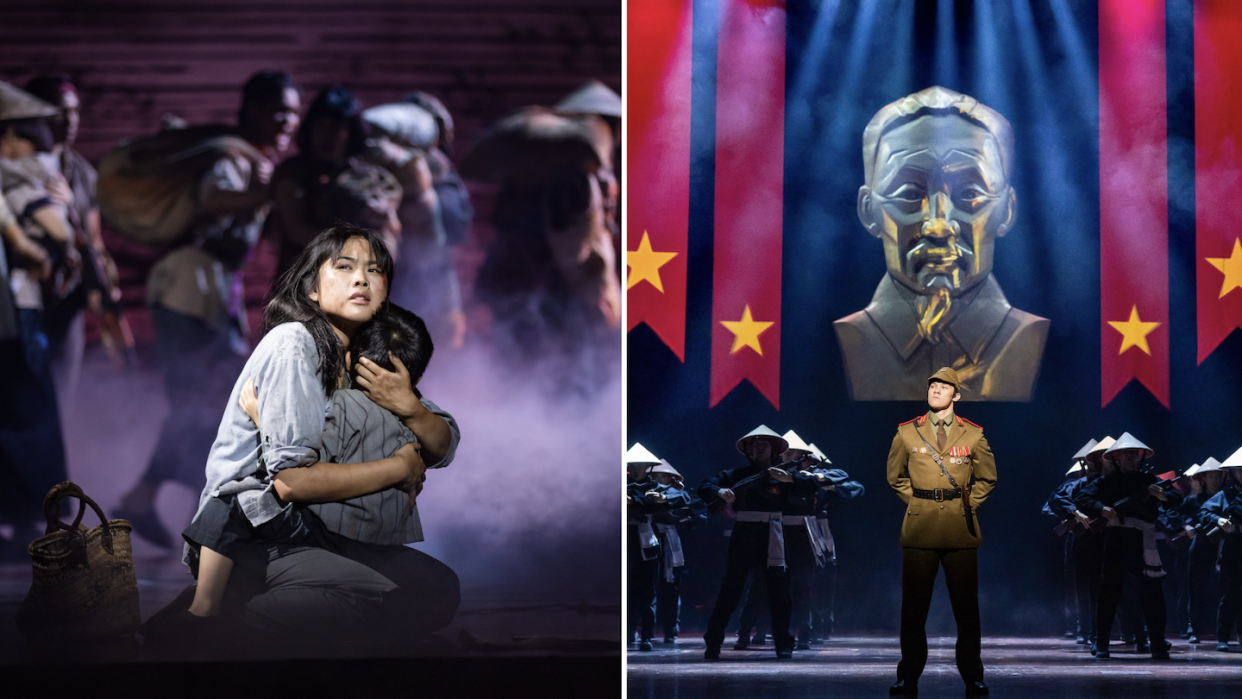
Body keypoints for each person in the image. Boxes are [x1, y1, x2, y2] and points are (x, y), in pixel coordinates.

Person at [147, 225, 458, 645]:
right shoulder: (295, 343)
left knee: (435, 589)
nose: (361, 278)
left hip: (320, 526)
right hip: (257, 531)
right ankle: (225, 621)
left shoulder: (364, 353)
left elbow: (440, 445)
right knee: (395, 604)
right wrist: (397, 467)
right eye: (344, 266)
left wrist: (410, 407)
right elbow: (291, 481)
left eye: (374, 269)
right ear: (312, 289)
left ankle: (267, 603)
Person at [114, 71, 302, 548]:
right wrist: (270, 191)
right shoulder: (232, 156)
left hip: (210, 292)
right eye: (278, 109)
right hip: (187, 288)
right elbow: (213, 199)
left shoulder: (254, 161)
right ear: (253, 110)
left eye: (292, 110)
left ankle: (150, 496)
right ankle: (189, 505)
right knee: (202, 403)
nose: (287, 120)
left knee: (208, 404)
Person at [169, 304, 438, 622]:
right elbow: (445, 438)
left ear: (351, 359)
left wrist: (266, 420)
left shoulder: (347, 405)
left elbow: (298, 475)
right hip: (343, 532)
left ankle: (210, 612)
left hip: (328, 528)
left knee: (230, 503)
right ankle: (212, 609)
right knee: (430, 592)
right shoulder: (409, 409)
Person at [834, 86, 1049, 402]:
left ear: (1007, 209)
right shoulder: (842, 344)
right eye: (908, 194)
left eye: (969, 194)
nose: (938, 226)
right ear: (868, 210)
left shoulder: (1038, 343)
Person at [886, 367, 996, 696]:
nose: (935, 389)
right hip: (919, 529)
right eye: (932, 384)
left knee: (966, 609)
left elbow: (988, 478)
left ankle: (973, 676)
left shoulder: (973, 434)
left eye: (943, 386)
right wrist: (919, 503)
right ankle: (909, 676)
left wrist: (968, 505)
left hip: (960, 529)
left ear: (956, 395)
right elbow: (895, 477)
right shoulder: (907, 432)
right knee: (913, 609)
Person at [24, 74, 130, 403]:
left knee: (61, 395)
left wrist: (104, 288)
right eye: (60, 111)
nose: (70, 120)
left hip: (67, 300)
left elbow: (94, 239)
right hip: (25, 297)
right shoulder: (17, 167)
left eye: (75, 111)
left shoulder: (82, 173)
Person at [0, 82, 72, 543]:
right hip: (16, 309)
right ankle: (31, 514)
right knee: (25, 411)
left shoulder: (20, 177)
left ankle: (34, 514)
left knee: (24, 410)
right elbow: (56, 233)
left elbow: (54, 233)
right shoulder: (26, 177)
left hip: (16, 308)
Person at [699, 426, 817, 660]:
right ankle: (713, 642)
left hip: (773, 532)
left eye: (764, 443)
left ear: (774, 448)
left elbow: (812, 486)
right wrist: (720, 491)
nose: (758, 446)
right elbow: (704, 486)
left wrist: (790, 478)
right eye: (754, 443)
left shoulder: (784, 473)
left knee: (779, 591)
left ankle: (784, 644)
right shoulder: (737, 474)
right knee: (731, 590)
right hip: (745, 532)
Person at [269, 85, 401, 280]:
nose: (326, 135)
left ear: (350, 132)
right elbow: (295, 228)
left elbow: (389, 233)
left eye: (335, 127)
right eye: (320, 125)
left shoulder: (369, 178)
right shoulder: (294, 172)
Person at [1077, 433, 1179, 660]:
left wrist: (1163, 496)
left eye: (1133, 453)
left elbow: (1175, 496)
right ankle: (1101, 642)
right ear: (1116, 458)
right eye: (1125, 453)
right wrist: (1101, 508)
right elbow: (1083, 498)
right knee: (1109, 592)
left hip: (1144, 541)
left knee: (1152, 594)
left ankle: (1157, 642)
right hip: (1117, 539)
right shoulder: (1106, 481)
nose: (1130, 456)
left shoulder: (1148, 479)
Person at [807, 443, 864, 643]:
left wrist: (828, 485)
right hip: (796, 529)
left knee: (823, 582)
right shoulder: (792, 477)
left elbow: (856, 488)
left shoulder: (822, 478)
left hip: (822, 535)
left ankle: (823, 623)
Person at [1044, 439, 1097, 641]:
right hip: (1079, 537)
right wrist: (1071, 518)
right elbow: (1053, 505)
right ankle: (1081, 628)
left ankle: (1101, 629)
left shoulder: (1105, 482)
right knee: (1078, 586)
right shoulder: (1072, 486)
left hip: (1102, 536)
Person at [649, 459, 704, 645]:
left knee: (671, 586)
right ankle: (643, 629)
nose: (658, 479)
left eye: (662, 475)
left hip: (670, 541)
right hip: (648, 538)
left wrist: (681, 518)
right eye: (655, 476)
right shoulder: (645, 492)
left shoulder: (681, 496)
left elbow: (698, 516)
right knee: (646, 586)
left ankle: (671, 630)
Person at [1199, 448, 1242, 651]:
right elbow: (1204, 512)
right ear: (1233, 472)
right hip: (1233, 545)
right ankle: (1223, 637)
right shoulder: (1225, 495)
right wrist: (1219, 519)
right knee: (1229, 593)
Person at [1186, 457, 1226, 644]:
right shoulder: (1194, 500)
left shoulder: (1228, 497)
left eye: (1218, 476)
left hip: (1224, 547)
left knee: (1224, 589)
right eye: (1211, 476)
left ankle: (1221, 630)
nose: (1215, 480)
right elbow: (1174, 513)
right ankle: (1194, 627)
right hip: (1201, 546)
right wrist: (1186, 526)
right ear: (1204, 478)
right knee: (1197, 588)